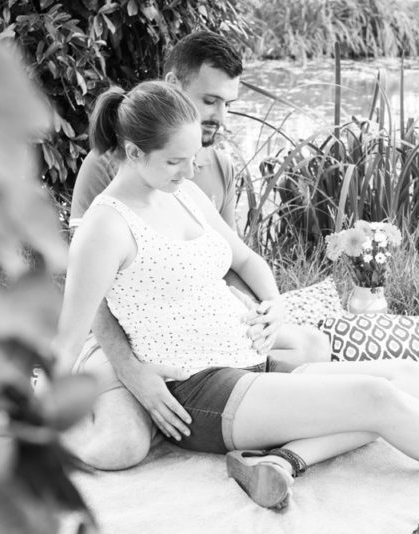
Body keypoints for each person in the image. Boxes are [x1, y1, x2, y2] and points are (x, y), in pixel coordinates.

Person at [51, 80, 419, 510]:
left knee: (409, 379)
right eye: (176, 163)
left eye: (192, 159)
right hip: (200, 389)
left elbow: (245, 259)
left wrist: (274, 306)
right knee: (375, 397)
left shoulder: (178, 193)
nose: (192, 172)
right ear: (132, 153)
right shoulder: (106, 226)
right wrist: (115, 383)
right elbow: (72, 332)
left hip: (248, 359)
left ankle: (282, 463)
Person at [66, 31, 331, 464]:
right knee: (123, 445)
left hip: (197, 332)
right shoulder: (112, 166)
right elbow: (92, 297)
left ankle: (276, 447)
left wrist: (267, 309)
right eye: (210, 101)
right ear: (174, 85)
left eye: (228, 103)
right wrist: (135, 374)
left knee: (312, 347)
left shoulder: (213, 163)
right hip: (122, 338)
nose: (220, 116)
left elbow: (228, 262)